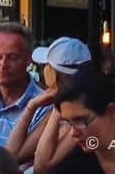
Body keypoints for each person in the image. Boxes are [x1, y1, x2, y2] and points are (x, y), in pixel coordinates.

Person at [7, 37, 93, 168]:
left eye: (46, 66)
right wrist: (31, 107)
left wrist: (58, 106)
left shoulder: (83, 113)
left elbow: (41, 167)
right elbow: (13, 155)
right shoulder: (55, 108)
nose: (43, 71)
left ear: (55, 74)